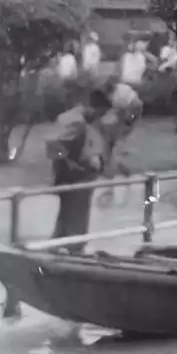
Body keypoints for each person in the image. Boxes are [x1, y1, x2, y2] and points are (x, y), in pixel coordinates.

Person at [46, 89, 112, 253]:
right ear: (91, 107)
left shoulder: (72, 117)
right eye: (100, 112)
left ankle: (56, 248)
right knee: (76, 217)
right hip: (75, 176)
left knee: (66, 216)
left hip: (70, 174)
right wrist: (69, 162)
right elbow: (53, 145)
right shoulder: (76, 122)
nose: (100, 117)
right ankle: (74, 253)